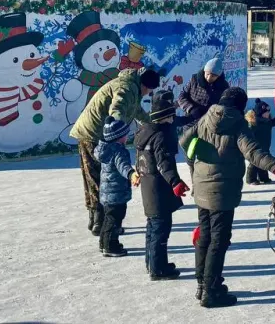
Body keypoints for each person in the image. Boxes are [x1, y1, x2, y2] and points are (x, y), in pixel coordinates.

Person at [180, 86, 275, 308]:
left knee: (205, 236)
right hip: (223, 191)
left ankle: (203, 284)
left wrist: (196, 164)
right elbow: (254, 153)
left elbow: (184, 141)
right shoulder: (238, 125)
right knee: (218, 240)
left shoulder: (206, 118)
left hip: (201, 186)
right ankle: (211, 291)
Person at [70, 67, 160, 236]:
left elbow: (136, 111)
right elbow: (117, 108)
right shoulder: (126, 88)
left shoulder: (132, 87)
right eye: (148, 90)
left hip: (98, 134)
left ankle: (96, 221)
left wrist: (152, 125)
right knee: (99, 178)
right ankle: (100, 222)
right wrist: (116, 135)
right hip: (93, 134)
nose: (147, 93)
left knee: (96, 177)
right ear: (144, 85)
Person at [135, 90, 189, 280]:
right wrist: (176, 182)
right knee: (160, 229)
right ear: (165, 116)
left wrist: (137, 172)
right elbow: (163, 162)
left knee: (152, 227)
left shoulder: (145, 131)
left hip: (149, 186)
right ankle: (158, 269)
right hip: (159, 188)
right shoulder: (160, 136)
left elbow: (141, 160)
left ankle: (152, 263)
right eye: (171, 115)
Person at [94, 116, 140, 258]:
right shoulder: (118, 151)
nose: (127, 137)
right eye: (125, 134)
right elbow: (123, 166)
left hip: (107, 192)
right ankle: (110, 245)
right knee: (114, 219)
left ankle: (104, 243)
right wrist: (131, 174)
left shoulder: (105, 149)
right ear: (119, 137)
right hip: (116, 193)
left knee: (108, 218)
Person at [177, 56, 229, 124]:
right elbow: (181, 96)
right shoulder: (194, 79)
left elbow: (226, 104)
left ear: (218, 76)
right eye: (207, 74)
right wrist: (190, 108)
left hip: (210, 122)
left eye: (213, 76)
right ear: (204, 71)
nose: (209, 78)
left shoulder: (224, 86)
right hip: (191, 119)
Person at [245, 99, 275, 185]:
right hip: (256, 147)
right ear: (260, 113)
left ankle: (263, 177)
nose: (268, 114)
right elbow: (249, 131)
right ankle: (251, 178)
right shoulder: (255, 123)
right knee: (254, 163)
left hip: (266, 145)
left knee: (264, 162)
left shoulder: (268, 122)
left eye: (268, 112)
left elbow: (273, 123)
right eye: (265, 113)